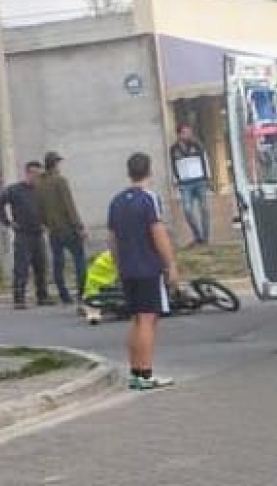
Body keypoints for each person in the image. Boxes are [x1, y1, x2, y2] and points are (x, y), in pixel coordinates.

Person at [107, 152, 177, 390]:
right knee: (149, 319)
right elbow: (158, 232)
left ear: (129, 172)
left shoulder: (116, 201)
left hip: (127, 268)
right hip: (148, 266)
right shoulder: (149, 199)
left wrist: (118, 265)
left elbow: (113, 239)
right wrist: (171, 264)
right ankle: (146, 374)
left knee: (137, 319)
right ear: (149, 171)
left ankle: (135, 371)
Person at [0, 161, 50, 309]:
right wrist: (7, 222)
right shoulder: (14, 190)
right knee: (21, 268)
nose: (37, 177)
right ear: (27, 173)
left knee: (41, 267)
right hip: (23, 234)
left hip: (38, 233)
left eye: (39, 175)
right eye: (35, 174)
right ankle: (19, 299)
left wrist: (46, 223)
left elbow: (46, 208)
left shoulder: (40, 190)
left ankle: (42, 297)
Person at [36, 151, 88, 311]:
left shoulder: (40, 184)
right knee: (80, 260)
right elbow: (69, 205)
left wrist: (46, 223)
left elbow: (39, 209)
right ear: (55, 164)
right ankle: (82, 292)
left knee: (58, 263)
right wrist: (79, 227)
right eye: (59, 163)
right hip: (68, 228)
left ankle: (64, 294)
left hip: (53, 230)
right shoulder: (60, 181)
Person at [169, 123, 211, 246]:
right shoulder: (174, 148)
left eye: (189, 132)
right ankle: (197, 235)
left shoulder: (197, 145)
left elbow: (205, 159)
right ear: (179, 134)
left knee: (204, 209)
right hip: (185, 183)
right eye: (185, 132)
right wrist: (176, 179)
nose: (188, 134)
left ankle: (205, 238)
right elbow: (173, 165)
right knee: (187, 210)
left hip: (199, 180)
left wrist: (207, 176)